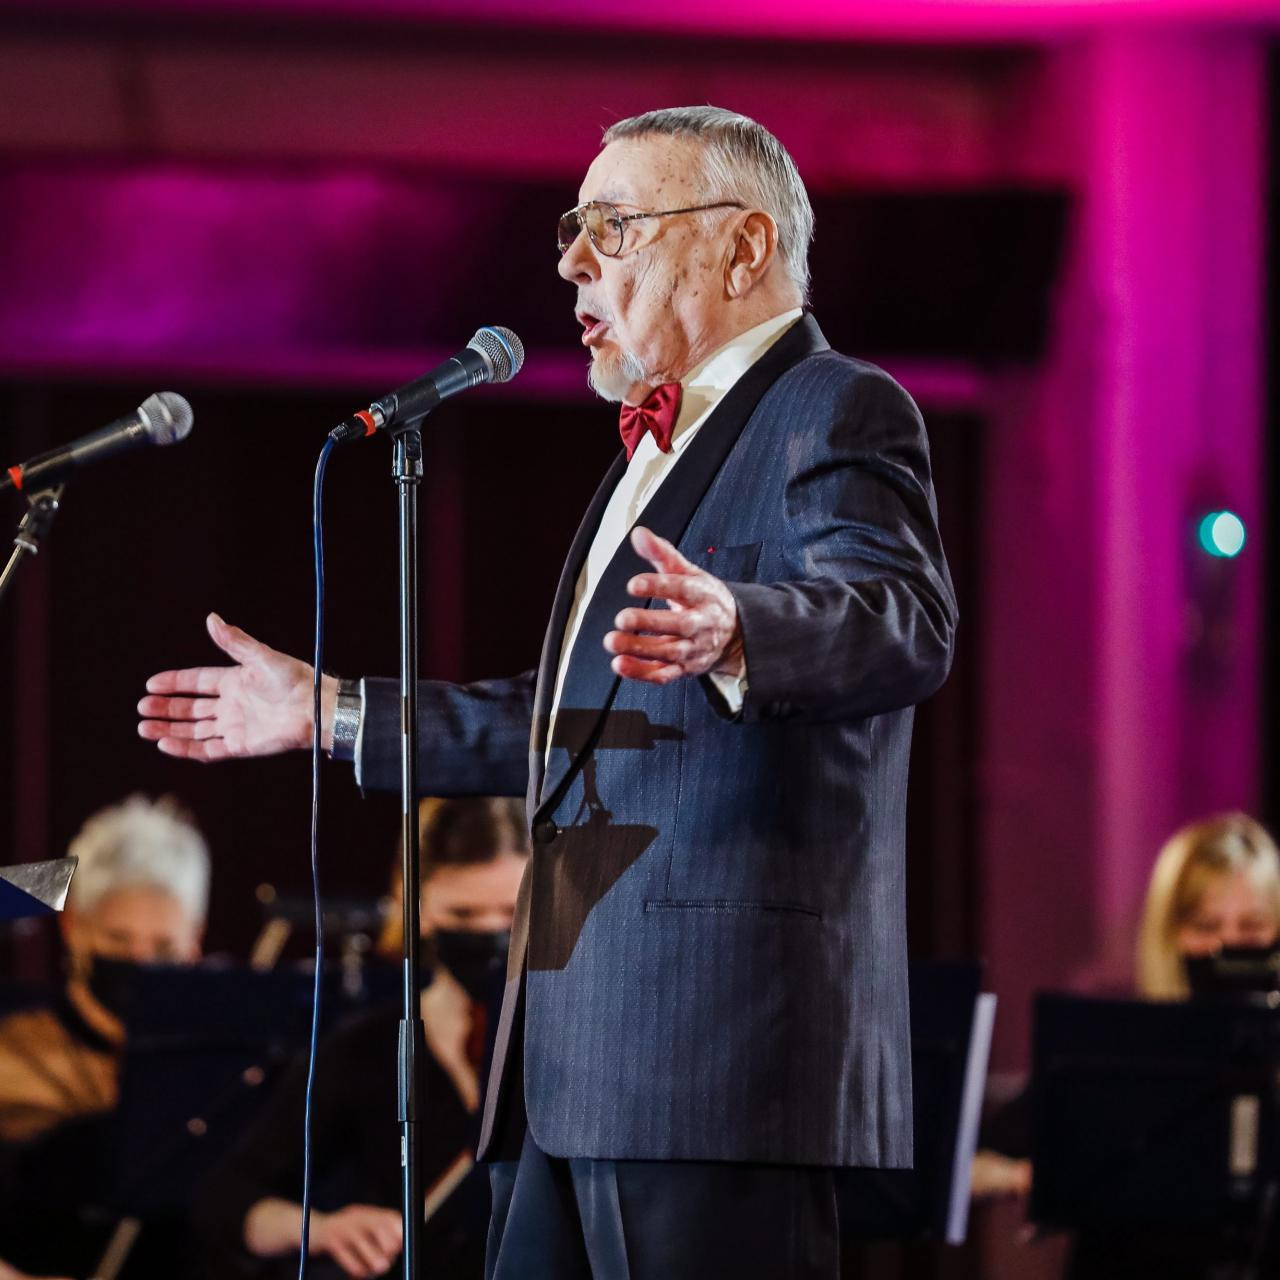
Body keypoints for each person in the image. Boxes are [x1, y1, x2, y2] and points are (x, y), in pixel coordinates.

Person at [137, 105, 956, 1279]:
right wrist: (333, 712)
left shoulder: (833, 404)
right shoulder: (649, 455)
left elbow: (900, 619)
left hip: (713, 1058)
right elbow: (562, 723)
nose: (571, 260)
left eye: (611, 226)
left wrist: (739, 628)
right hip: (563, 1067)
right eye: (571, 228)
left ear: (742, 247)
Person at [198, 796, 528, 1280]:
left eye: (513, 913)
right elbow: (225, 1199)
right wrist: (320, 1229)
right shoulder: (364, 1049)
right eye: (462, 915)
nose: (491, 935)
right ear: (416, 905)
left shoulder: (581, 1045)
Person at [0, 795, 210, 1280]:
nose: (140, 960)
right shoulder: (13, 1045)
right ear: (73, 924)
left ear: (194, 939)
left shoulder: (220, 1060)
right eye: (118, 939)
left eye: (163, 946)